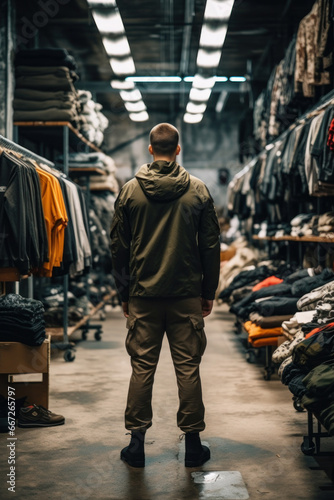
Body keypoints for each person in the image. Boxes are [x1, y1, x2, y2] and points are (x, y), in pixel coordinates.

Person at [110, 123, 220, 468]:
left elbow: (118, 248)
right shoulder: (199, 191)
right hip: (186, 294)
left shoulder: (129, 192)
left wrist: (124, 293)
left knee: (142, 367)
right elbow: (211, 246)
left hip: (143, 294)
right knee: (188, 368)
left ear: (149, 149)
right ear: (178, 149)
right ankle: (192, 446)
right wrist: (208, 291)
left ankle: (137, 446)